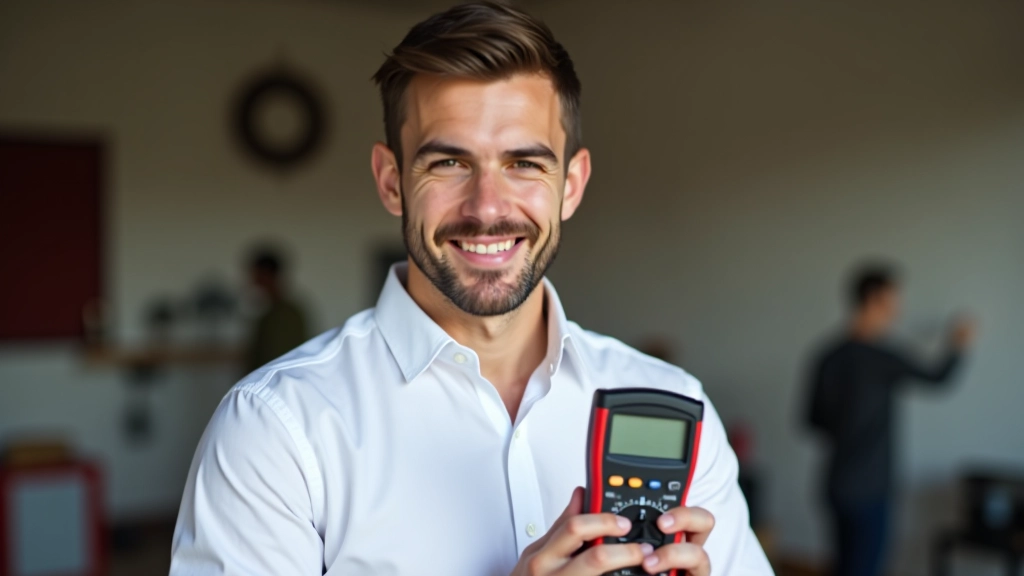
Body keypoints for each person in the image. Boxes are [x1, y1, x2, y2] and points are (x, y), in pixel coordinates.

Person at [171, 3, 771, 574]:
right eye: (449, 164)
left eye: (525, 164)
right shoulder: (274, 429)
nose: (487, 209)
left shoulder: (672, 400)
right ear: (390, 181)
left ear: (571, 184)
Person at [805, 264, 975, 576]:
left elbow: (811, 421)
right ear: (874, 300)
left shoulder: (827, 355)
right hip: (871, 489)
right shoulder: (881, 358)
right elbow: (937, 377)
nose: (898, 311)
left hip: (836, 484)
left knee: (844, 566)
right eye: (893, 302)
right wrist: (959, 345)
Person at [242, 246, 309, 373]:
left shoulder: (285, 315)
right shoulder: (269, 312)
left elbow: (276, 361)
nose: (252, 282)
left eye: (257, 276)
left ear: (267, 275)